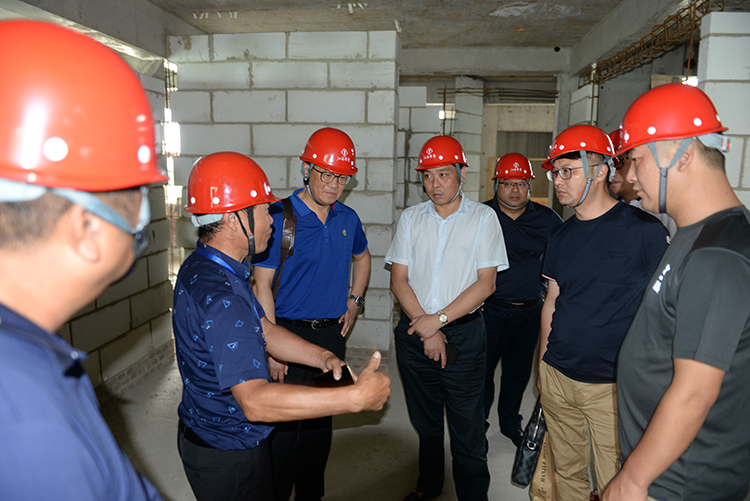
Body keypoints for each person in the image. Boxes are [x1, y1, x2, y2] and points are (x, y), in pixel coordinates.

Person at [0, 20, 166, 500]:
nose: (144, 212)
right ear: (87, 229)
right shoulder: (29, 419)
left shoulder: (26, 358)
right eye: (135, 194)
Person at [174, 152, 390, 501]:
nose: (271, 222)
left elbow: (265, 329)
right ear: (232, 219)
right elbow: (255, 402)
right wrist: (353, 398)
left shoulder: (207, 266)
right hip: (230, 451)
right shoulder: (223, 299)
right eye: (263, 211)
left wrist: (322, 357)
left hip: (207, 430)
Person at [603, 84, 750, 501]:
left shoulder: (717, 255)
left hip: (680, 482)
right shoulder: (696, 234)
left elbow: (695, 393)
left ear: (682, 155)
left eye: (636, 160)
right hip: (667, 472)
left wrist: (633, 479)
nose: (629, 176)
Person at [538, 125, 669, 501]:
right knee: (568, 472)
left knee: (617, 478)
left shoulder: (645, 232)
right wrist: (542, 364)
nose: (558, 182)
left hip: (612, 385)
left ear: (600, 171)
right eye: (555, 173)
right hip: (558, 375)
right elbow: (552, 302)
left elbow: (663, 312)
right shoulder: (560, 236)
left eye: (567, 171)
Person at [252, 127, 371, 501]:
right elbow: (261, 285)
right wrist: (272, 347)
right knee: (284, 429)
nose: (334, 184)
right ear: (307, 169)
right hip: (286, 334)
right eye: (326, 174)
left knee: (320, 426)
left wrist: (355, 300)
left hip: (331, 337)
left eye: (342, 177)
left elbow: (363, 257)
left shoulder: (348, 218)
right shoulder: (279, 216)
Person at [386, 135, 507, 501]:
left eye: (443, 174)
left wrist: (437, 321)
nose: (434, 184)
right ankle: (429, 485)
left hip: (463, 337)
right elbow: (399, 279)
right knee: (426, 423)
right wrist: (427, 329)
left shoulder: (483, 219)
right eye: (427, 176)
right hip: (414, 333)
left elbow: (486, 284)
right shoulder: (411, 218)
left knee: (467, 429)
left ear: (461, 174)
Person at [482, 153, 562, 445]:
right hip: (488, 312)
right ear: (496, 185)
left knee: (517, 374)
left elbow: (562, 262)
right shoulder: (480, 216)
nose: (514, 190)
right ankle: (478, 425)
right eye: (507, 183)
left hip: (530, 312)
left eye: (521, 183)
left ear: (530, 185)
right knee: (481, 374)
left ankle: (510, 424)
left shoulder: (548, 220)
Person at [609, 130, 678, 238]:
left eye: (619, 162)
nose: (612, 172)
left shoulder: (668, 210)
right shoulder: (609, 213)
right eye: (608, 166)